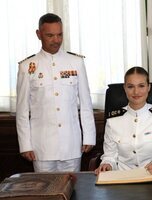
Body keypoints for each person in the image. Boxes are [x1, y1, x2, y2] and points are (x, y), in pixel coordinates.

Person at [16, 13, 96, 172]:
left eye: (60, 35)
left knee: (73, 190)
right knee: (45, 193)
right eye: (50, 35)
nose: (56, 40)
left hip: (71, 145)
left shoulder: (76, 62)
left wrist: (89, 136)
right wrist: (25, 145)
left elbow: (86, 103)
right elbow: (22, 111)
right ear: (38, 34)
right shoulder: (27, 66)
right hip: (42, 147)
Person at [95, 66, 152, 175]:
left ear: (148, 87)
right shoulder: (113, 121)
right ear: (124, 88)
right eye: (130, 86)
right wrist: (107, 165)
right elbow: (110, 156)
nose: (136, 92)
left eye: (141, 86)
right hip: (122, 179)